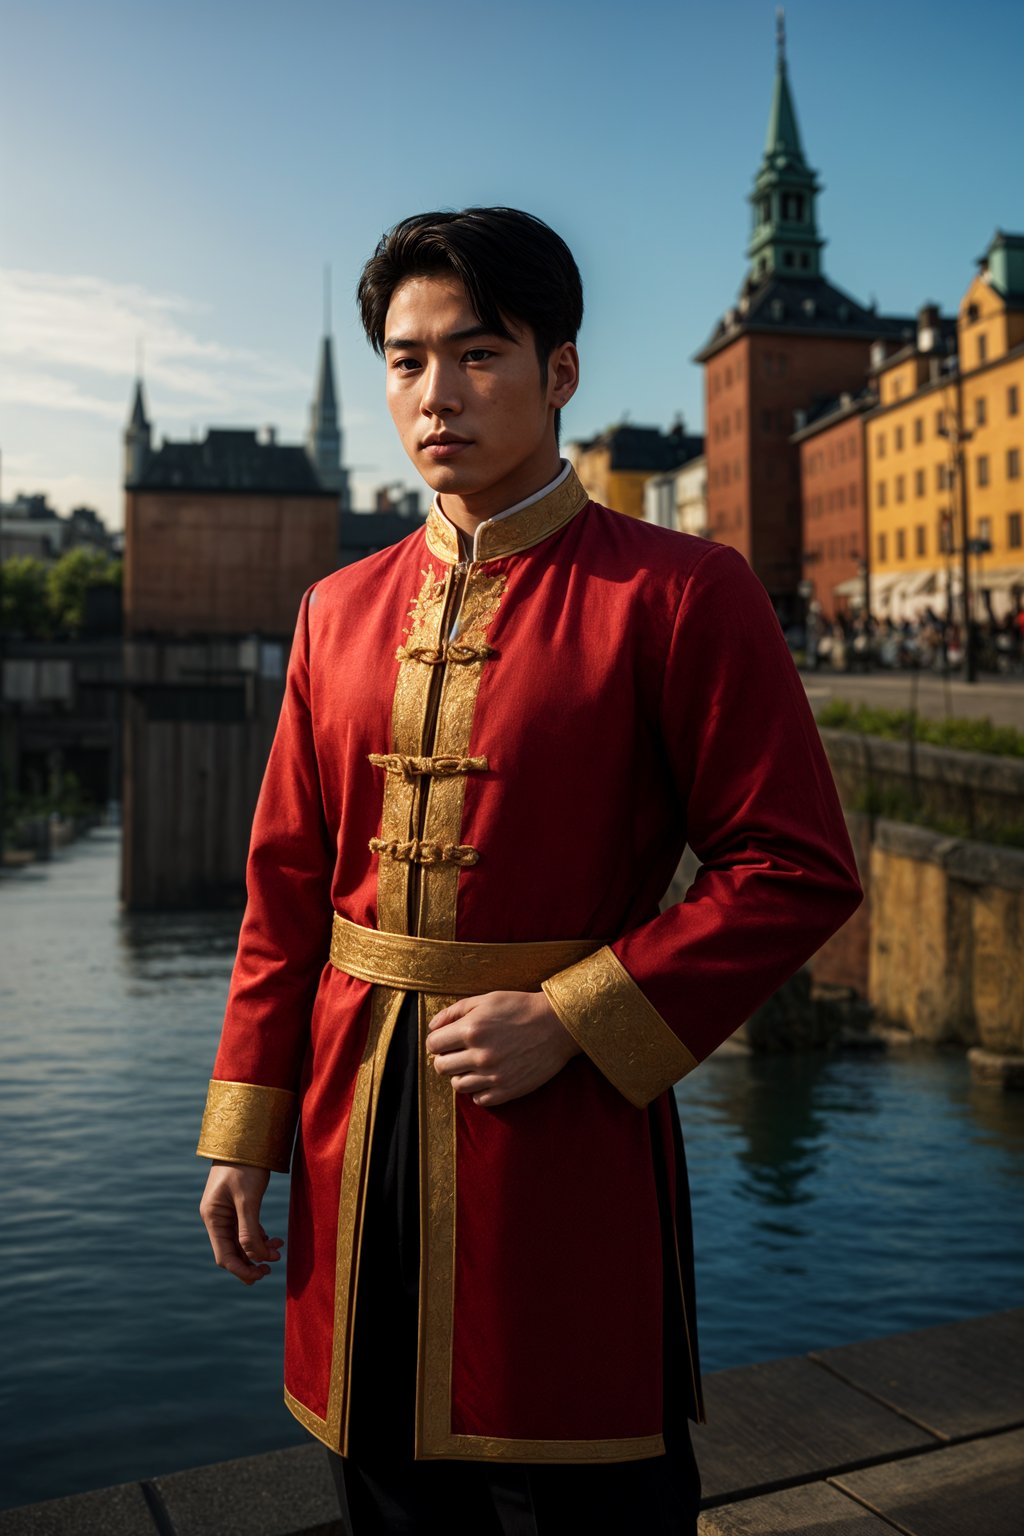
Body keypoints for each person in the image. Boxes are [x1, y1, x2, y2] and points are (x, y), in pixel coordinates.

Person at [197, 206, 863, 1535]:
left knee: (581, 1495)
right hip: (348, 1129)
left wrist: (574, 1015)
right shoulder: (336, 609)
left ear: (561, 371)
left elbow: (792, 867)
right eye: (404, 361)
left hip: (558, 1138)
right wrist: (244, 1130)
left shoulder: (683, 593)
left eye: (478, 354)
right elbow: (286, 890)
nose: (435, 395)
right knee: (380, 1488)